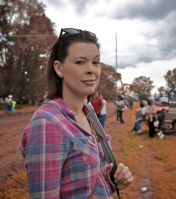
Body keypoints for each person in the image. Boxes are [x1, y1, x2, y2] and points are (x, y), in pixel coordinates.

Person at [19, 28, 133, 198]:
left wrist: (111, 181)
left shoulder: (89, 115)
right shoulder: (48, 123)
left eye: (96, 62)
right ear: (59, 68)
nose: (91, 70)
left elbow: (84, 183)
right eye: (80, 62)